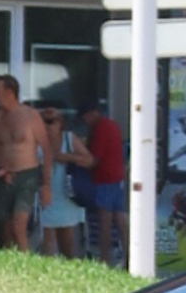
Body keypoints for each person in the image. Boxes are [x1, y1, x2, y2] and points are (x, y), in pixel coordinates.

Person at [0, 73, 49, 251]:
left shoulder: (31, 116)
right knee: (6, 228)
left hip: (27, 174)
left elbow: (47, 150)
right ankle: (11, 264)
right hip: (3, 175)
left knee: (18, 225)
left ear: (10, 92)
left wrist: (46, 184)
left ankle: (26, 265)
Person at [38, 106, 89, 260]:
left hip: (67, 193)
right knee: (47, 239)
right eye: (43, 121)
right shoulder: (36, 141)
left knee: (67, 240)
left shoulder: (69, 138)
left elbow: (90, 160)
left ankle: (70, 269)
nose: (46, 125)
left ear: (60, 123)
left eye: (50, 121)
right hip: (44, 194)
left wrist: (68, 157)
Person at [83, 98, 126, 266]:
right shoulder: (113, 125)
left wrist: (75, 156)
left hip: (104, 179)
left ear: (92, 113)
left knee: (104, 222)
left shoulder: (101, 128)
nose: (85, 122)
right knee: (120, 220)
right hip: (117, 177)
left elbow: (94, 159)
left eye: (85, 117)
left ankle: (105, 260)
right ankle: (130, 256)